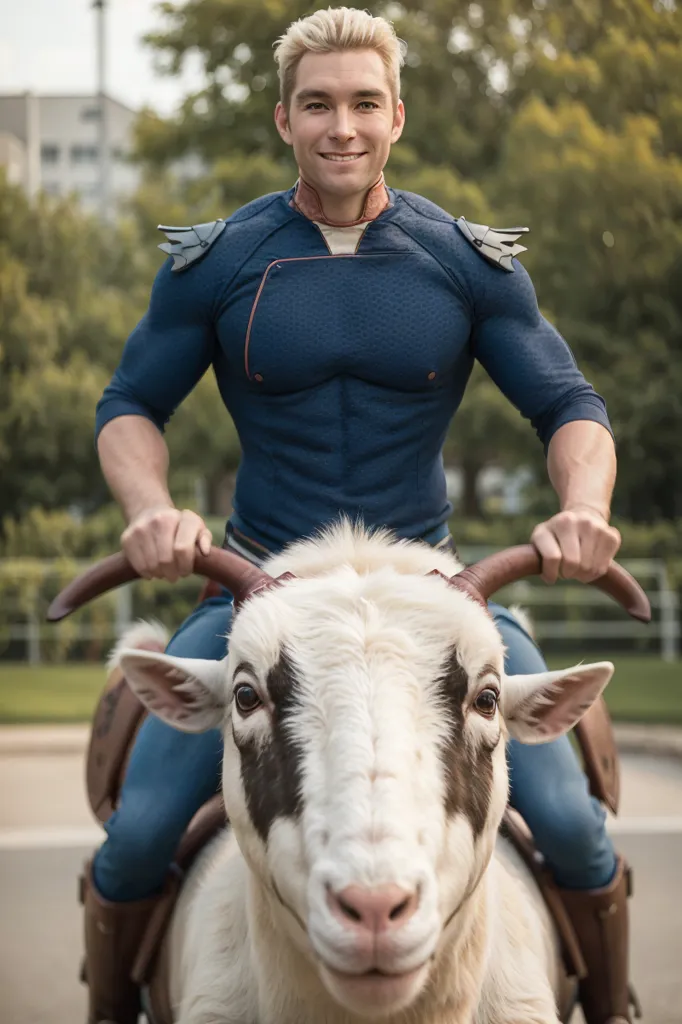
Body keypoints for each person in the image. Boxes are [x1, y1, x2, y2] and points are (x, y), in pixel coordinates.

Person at [85, 8, 635, 1024]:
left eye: (364, 103)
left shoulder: (464, 261)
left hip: (428, 590)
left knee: (571, 823)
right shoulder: (219, 261)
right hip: (264, 588)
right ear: (284, 120)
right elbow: (128, 408)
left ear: (398, 117)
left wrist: (583, 506)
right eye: (319, 104)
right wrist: (152, 508)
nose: (343, 125)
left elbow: (571, 407)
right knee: (137, 837)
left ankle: (610, 1007)